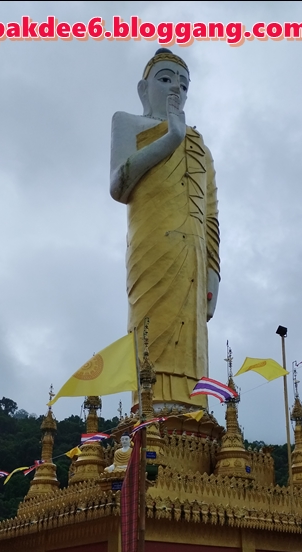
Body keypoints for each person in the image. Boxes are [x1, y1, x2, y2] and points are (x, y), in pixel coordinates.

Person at [110, 48, 220, 409]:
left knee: (192, 336)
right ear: (144, 89)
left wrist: (214, 271)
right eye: (166, 79)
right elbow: (118, 185)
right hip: (152, 244)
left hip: (194, 255)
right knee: (149, 325)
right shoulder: (128, 123)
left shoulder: (200, 146)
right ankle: (150, 407)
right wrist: (171, 138)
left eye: (184, 84)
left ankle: (194, 409)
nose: (176, 88)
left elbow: (210, 214)